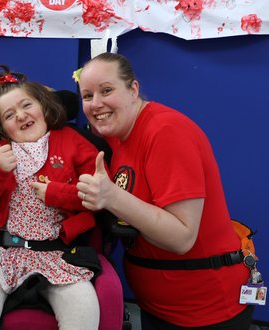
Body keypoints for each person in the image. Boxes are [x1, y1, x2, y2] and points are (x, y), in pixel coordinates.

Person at [75, 52, 253, 329]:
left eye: (106, 90)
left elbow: (181, 238)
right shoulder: (116, 132)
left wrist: (111, 197)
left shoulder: (165, 131)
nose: (96, 103)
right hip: (158, 306)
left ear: (133, 90)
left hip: (204, 312)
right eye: (87, 96)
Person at [0, 65, 101, 330]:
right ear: (1, 125)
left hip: (57, 253)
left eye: (26, 105)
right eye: (10, 115)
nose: (21, 116)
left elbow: (98, 195)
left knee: (84, 310)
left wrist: (58, 193)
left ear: (43, 105)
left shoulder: (71, 140)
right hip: (2, 252)